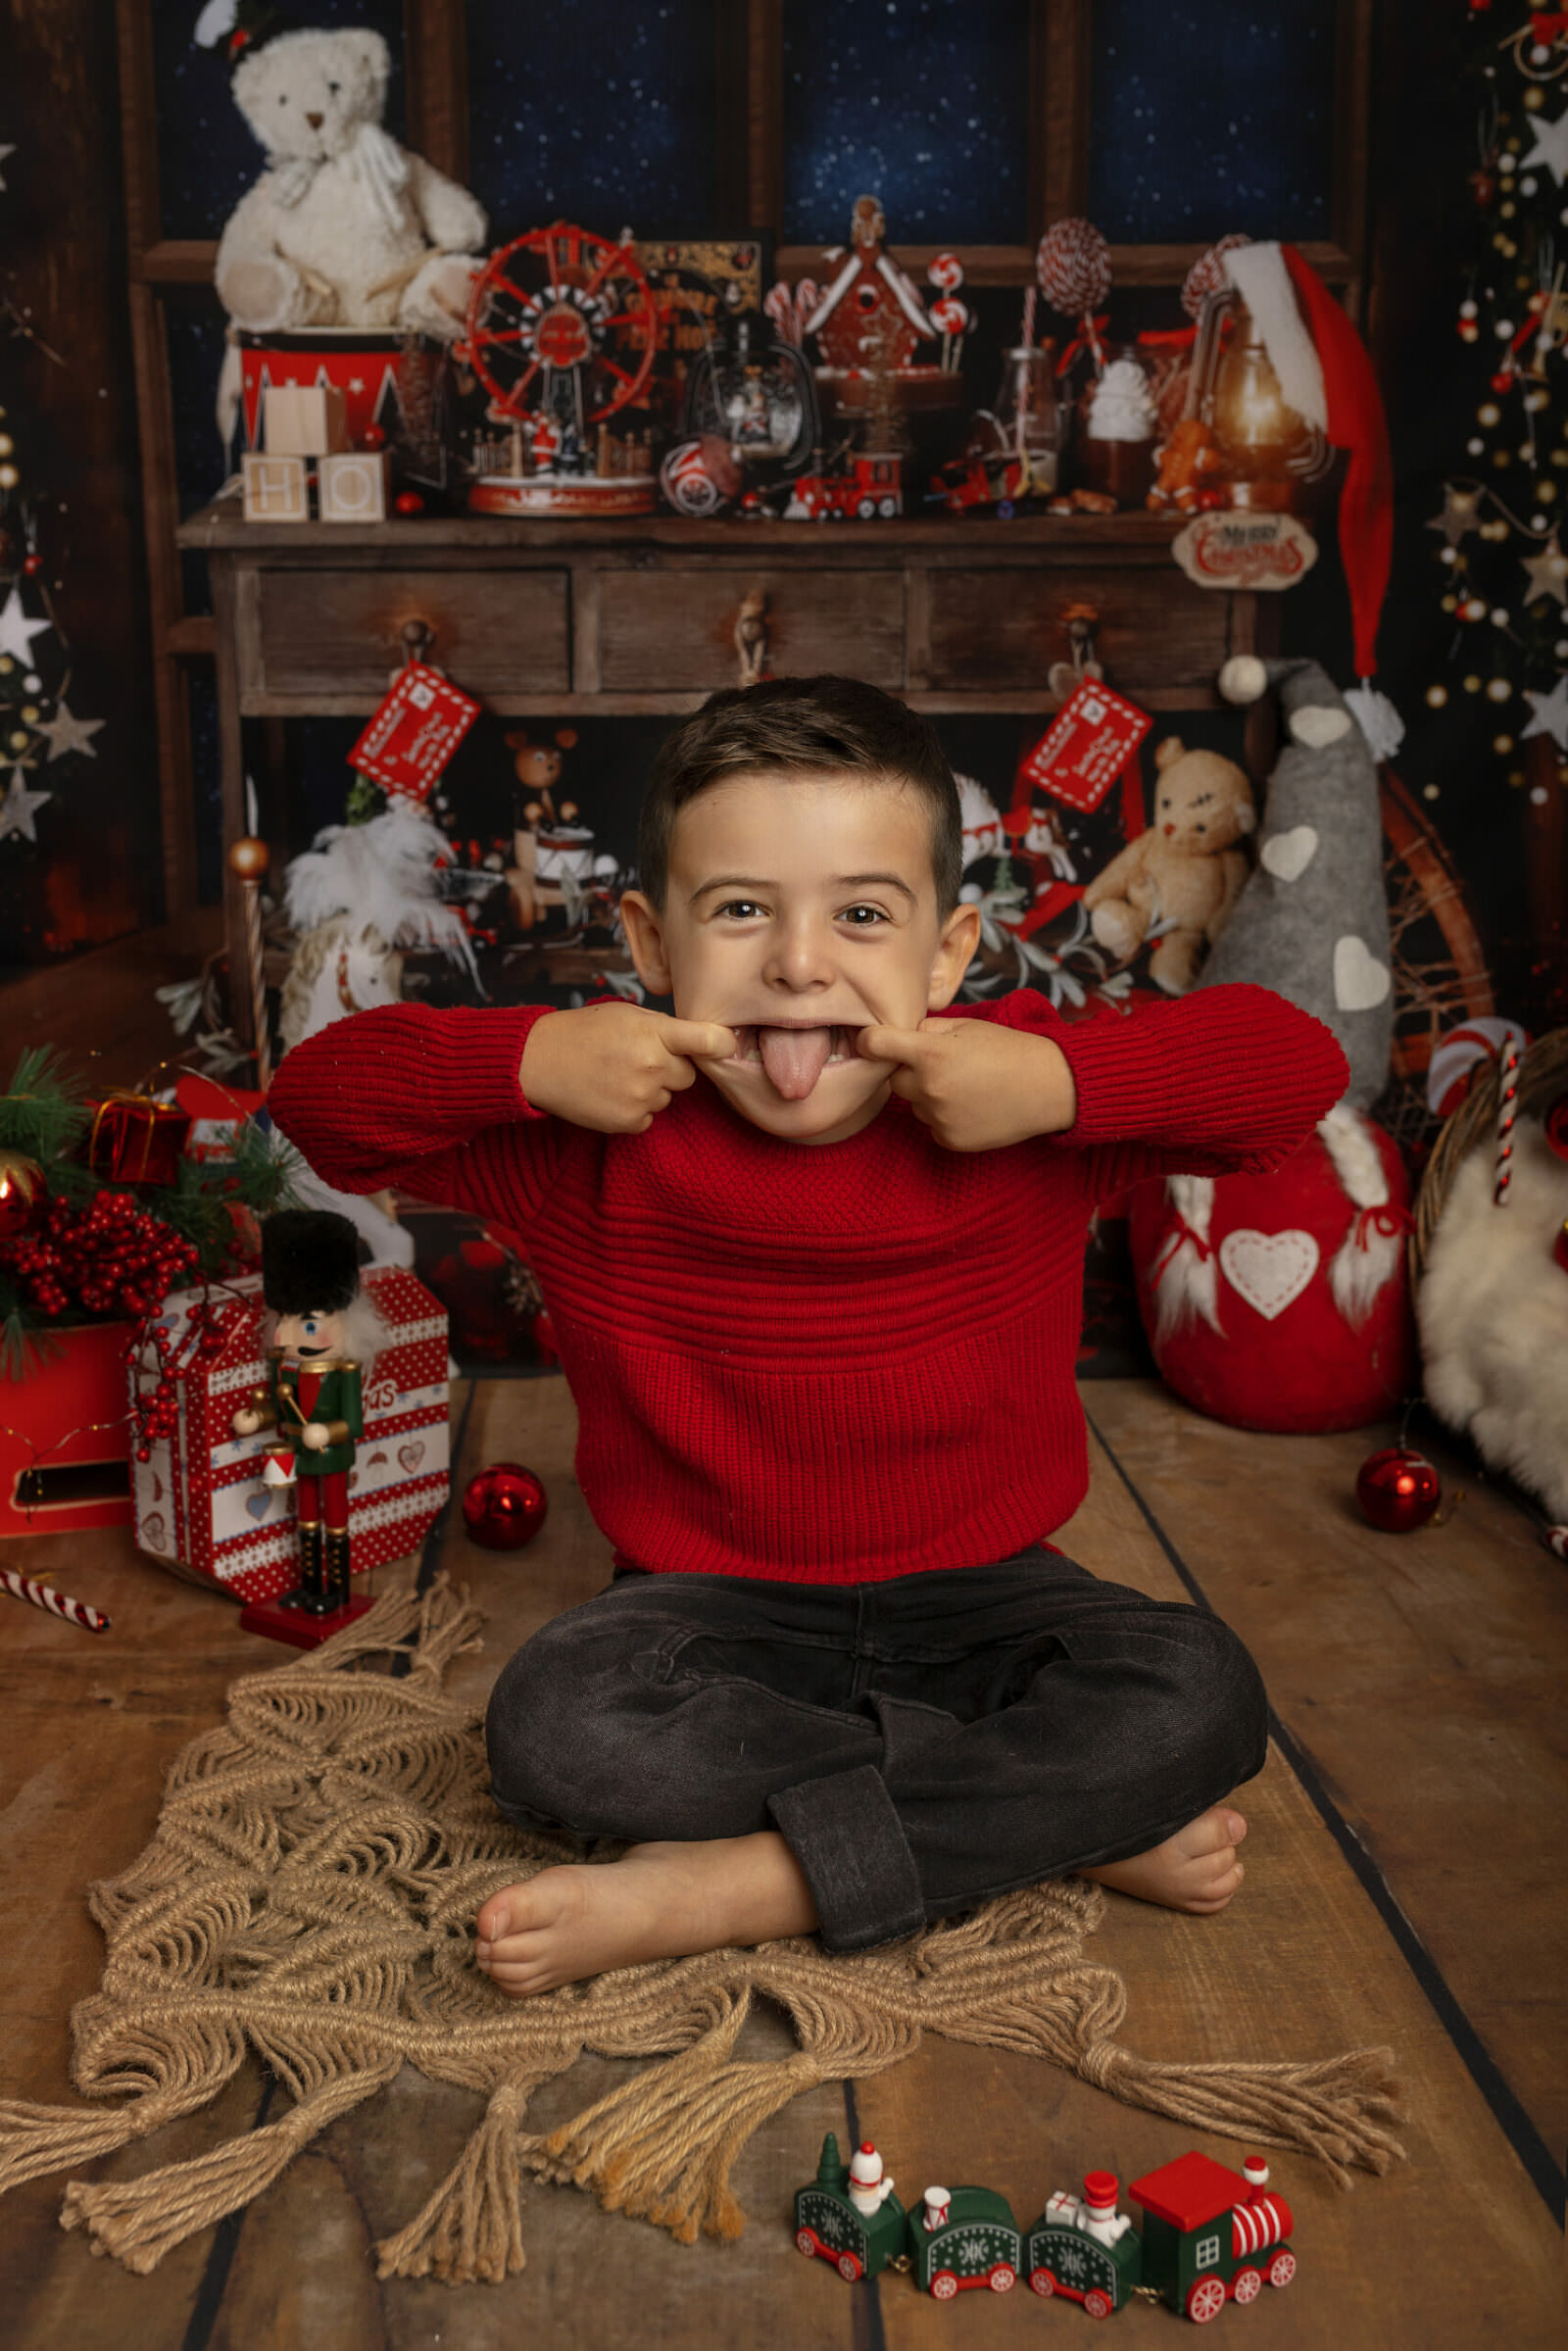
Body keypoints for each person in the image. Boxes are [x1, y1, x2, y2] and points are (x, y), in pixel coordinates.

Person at [268, 674, 1348, 1999]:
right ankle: (1039, 1818)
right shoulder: (596, 1131)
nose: (797, 961)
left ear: (944, 956)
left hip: (991, 1595)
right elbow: (317, 1102)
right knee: (556, 1727)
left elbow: (1298, 1068)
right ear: (652, 945)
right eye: (738, 911)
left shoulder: (1011, 1097)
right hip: (706, 1609)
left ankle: (737, 1883)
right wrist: (529, 1056)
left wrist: (1065, 1081)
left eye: (861, 914)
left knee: (1203, 1689)